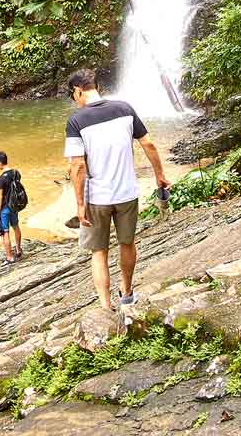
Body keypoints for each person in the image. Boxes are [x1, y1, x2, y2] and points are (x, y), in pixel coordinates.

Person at [64, 68, 169, 311]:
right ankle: (128, 294)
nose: (75, 101)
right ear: (95, 87)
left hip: (97, 198)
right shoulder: (125, 109)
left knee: (98, 252)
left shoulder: (76, 121)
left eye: (74, 96)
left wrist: (80, 204)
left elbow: (77, 165)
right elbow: (149, 144)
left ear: (77, 91)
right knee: (127, 243)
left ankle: (105, 306)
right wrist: (160, 175)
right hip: (127, 193)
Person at [0, 151, 23, 264]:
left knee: (5, 232)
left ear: (0, 163)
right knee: (16, 226)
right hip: (14, 205)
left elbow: (0, 196)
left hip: (5, 208)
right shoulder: (16, 172)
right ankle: (18, 248)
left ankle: (9, 257)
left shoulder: (1, 178)